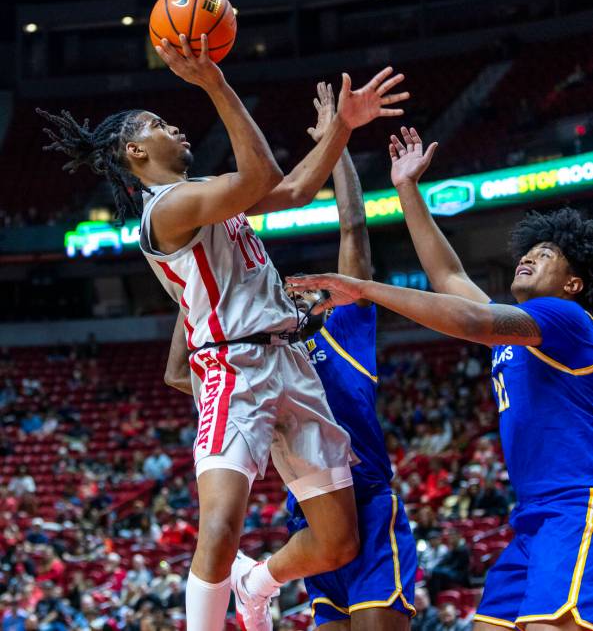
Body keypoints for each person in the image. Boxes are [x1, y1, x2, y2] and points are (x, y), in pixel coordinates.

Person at [39, 32, 409, 631]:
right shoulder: (165, 209)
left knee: (339, 543)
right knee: (219, 526)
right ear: (135, 150)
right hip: (231, 367)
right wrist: (213, 81)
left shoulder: (204, 197)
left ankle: (255, 581)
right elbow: (262, 173)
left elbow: (291, 191)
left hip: (292, 362)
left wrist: (343, 127)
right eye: (160, 123)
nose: (177, 129)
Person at [287, 126, 593, 631]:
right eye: (529, 248)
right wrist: (408, 189)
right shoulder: (520, 334)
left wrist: (364, 287)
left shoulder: (566, 318)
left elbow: (469, 320)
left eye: (547, 254)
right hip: (534, 516)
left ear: (573, 283)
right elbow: (449, 278)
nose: (530, 255)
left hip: (576, 506)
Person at [167, 81, 417, 630]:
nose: (294, 292)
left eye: (305, 291)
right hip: (306, 513)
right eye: (288, 289)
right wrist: (199, 296)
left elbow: (353, 230)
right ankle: (258, 582)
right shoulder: (265, 351)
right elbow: (177, 372)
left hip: (369, 501)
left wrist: (339, 146)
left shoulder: (343, 330)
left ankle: (255, 582)